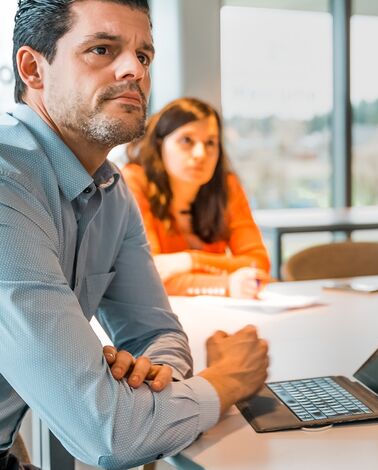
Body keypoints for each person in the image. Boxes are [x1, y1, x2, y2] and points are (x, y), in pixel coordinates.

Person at [0, 1, 269, 469]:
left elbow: (158, 333)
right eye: (102, 49)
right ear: (33, 68)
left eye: (143, 56)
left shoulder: (111, 190)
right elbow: (110, 435)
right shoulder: (6, 180)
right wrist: (227, 380)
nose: (134, 70)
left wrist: (153, 376)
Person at [123, 97, 271, 299]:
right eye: (187, 140)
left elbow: (258, 263)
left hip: (217, 313)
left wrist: (189, 261)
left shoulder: (227, 187)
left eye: (211, 142)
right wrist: (226, 284)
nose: (201, 153)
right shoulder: (133, 182)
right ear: (159, 145)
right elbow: (147, 276)